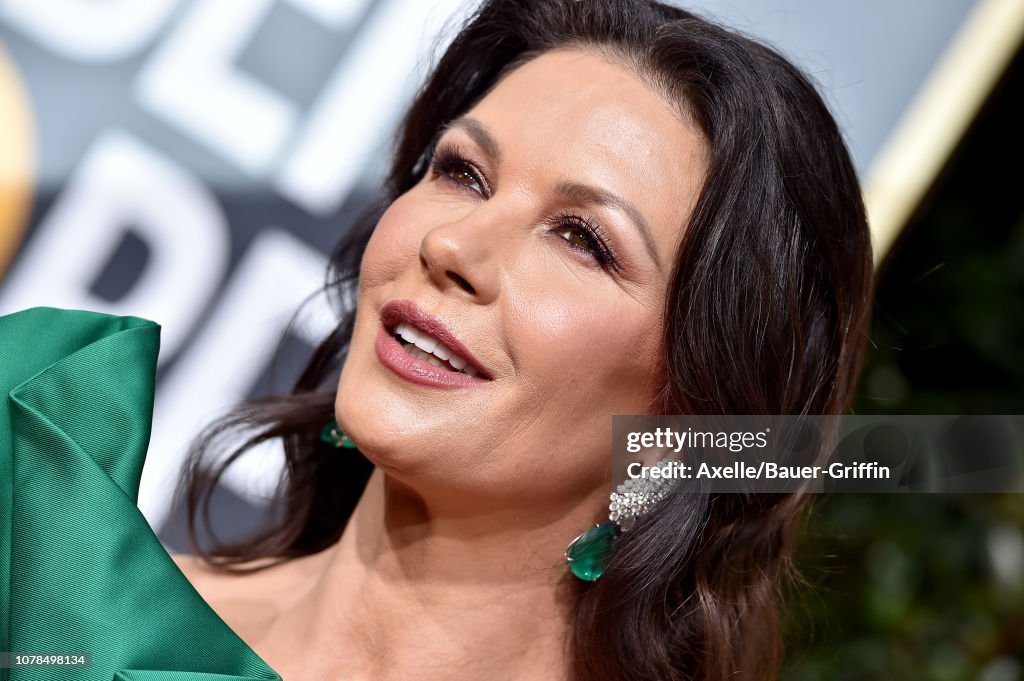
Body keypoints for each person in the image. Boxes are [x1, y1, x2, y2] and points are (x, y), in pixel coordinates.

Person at [0, 0, 872, 680]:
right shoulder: (51, 600)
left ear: (689, 413)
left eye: (581, 238)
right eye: (461, 173)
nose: (452, 247)